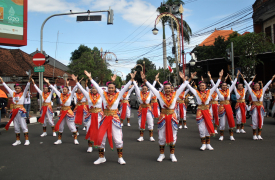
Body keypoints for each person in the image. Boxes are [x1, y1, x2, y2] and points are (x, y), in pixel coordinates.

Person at [84, 70, 136, 165]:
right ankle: (101, 157)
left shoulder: (118, 95)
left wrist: (131, 80)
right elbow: (96, 86)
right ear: (107, 88)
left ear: (115, 89)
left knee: (118, 139)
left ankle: (120, 157)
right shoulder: (103, 94)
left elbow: (125, 89)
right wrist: (90, 78)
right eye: (109, 88)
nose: (111, 89)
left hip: (115, 119)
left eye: (112, 88)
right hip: (104, 118)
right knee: (100, 138)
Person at [141, 71, 188, 162]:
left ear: (171, 89)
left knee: (173, 136)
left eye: (169, 88)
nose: (167, 90)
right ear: (163, 89)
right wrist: (145, 80)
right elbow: (151, 88)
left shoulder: (175, 95)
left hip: (172, 118)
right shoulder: (160, 95)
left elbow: (182, 87)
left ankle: (172, 154)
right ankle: (161, 154)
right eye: (165, 88)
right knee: (161, 137)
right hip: (163, 118)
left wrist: (184, 79)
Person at [187, 70, 222, 151]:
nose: (202, 87)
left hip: (207, 111)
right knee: (201, 129)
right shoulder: (196, 93)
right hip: (200, 112)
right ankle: (203, 144)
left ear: (206, 87)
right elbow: (188, 86)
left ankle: (208, 144)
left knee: (207, 127)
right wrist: (190, 79)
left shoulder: (209, 92)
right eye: (201, 86)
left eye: (203, 86)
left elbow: (216, 85)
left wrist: (220, 77)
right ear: (199, 87)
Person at [44, 78, 79, 145]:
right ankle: (59, 140)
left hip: (68, 112)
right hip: (62, 112)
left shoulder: (70, 95)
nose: (64, 90)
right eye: (63, 89)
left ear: (68, 90)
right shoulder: (60, 95)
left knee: (71, 126)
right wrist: (48, 83)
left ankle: (75, 139)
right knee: (60, 126)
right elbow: (54, 89)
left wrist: (76, 81)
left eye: (65, 89)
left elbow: (74, 88)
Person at [73, 75, 103, 153]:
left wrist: (91, 78)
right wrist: (76, 81)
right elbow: (82, 89)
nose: (94, 89)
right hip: (90, 115)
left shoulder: (102, 96)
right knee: (88, 129)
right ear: (91, 89)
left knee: (100, 131)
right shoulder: (88, 95)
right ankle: (90, 146)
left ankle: (101, 145)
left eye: (95, 88)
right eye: (93, 88)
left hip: (99, 115)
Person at [0, 76, 32, 146]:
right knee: (16, 127)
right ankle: (18, 140)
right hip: (14, 112)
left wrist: (29, 81)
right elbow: (7, 88)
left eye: (18, 88)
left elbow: (26, 87)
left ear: (21, 89)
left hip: (21, 112)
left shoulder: (23, 94)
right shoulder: (13, 94)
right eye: (16, 88)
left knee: (23, 126)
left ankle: (27, 140)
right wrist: (2, 81)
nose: (17, 89)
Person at [242, 73, 275, 140]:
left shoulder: (262, 91)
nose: (257, 86)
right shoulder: (252, 91)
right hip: (254, 108)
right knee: (254, 121)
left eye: (258, 85)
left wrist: (272, 78)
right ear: (253, 87)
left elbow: (267, 85)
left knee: (261, 121)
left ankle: (259, 134)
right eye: (255, 85)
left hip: (261, 108)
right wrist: (243, 79)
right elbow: (247, 86)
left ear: (259, 86)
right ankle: (254, 135)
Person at [133, 77, 158, 142]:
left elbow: (152, 87)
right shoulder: (139, 93)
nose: (144, 89)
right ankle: (141, 137)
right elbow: (136, 87)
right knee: (141, 123)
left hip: (148, 110)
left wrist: (155, 80)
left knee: (150, 123)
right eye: (143, 88)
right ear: (141, 89)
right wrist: (133, 80)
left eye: (145, 88)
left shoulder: (149, 93)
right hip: (141, 109)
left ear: (147, 89)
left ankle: (151, 137)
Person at [216, 72, 238, 141]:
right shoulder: (218, 91)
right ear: (221, 86)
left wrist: (236, 77)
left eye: (225, 85)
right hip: (222, 108)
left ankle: (231, 136)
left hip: (228, 107)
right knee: (222, 123)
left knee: (230, 121)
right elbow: (214, 85)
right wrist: (220, 77)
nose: (224, 86)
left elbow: (234, 84)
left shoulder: (229, 90)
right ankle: (221, 136)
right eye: (223, 85)